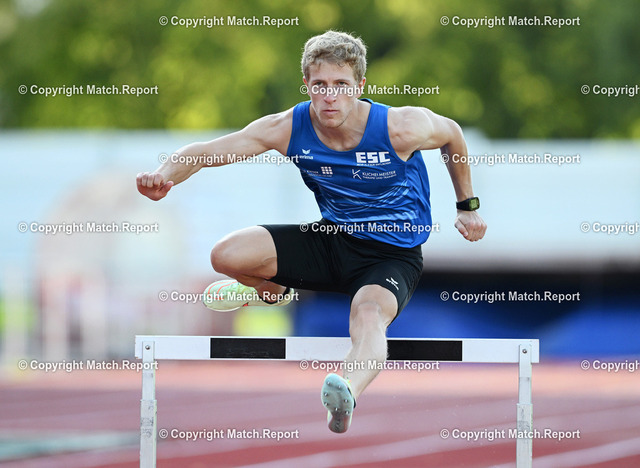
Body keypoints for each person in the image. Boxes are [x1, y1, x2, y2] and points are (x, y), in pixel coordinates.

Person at [136, 30, 486, 434]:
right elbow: (207, 151)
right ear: (306, 84)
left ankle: (346, 392)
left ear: (360, 86)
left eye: (340, 85)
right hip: (330, 240)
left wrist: (467, 206)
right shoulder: (289, 127)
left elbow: (453, 134)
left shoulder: (401, 127)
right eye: (319, 85)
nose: (329, 97)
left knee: (368, 317)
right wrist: (164, 176)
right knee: (225, 255)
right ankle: (273, 290)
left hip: (390, 256)